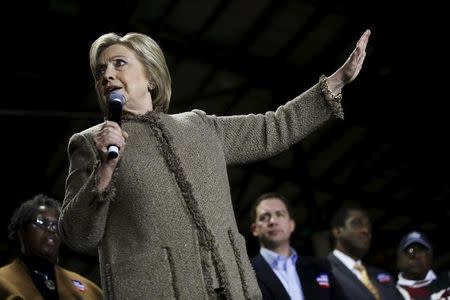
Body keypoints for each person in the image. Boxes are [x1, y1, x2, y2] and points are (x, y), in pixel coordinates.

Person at [59, 28, 370, 299]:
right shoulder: (89, 144)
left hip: (231, 289)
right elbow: (76, 235)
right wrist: (104, 171)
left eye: (119, 64)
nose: (108, 75)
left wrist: (335, 83)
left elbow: (273, 128)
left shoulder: (199, 126)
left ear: (150, 76)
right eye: (100, 72)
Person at [0, 194, 103, 299]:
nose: (51, 229)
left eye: (56, 225)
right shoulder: (3, 280)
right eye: (41, 222)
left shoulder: (90, 290)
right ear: (22, 231)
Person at [250, 192, 348, 300]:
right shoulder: (247, 272)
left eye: (279, 214)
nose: (273, 221)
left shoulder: (320, 267)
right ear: (254, 229)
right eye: (264, 217)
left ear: (291, 225)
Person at [327, 203, 403, 300]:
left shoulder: (382, 275)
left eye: (368, 225)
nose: (365, 230)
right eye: (356, 223)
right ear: (337, 231)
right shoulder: (324, 273)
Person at [396, 230, 450, 300]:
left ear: (430, 256)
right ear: (399, 259)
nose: (416, 256)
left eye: (421, 250)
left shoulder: (447, 279)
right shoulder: (392, 293)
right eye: (410, 251)